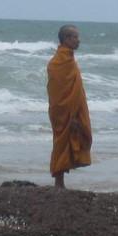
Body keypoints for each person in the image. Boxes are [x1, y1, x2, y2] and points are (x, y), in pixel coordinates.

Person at [46, 24, 92, 188]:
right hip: (63, 112)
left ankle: (61, 182)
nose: (79, 40)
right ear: (66, 39)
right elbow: (58, 94)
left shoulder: (70, 61)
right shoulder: (56, 64)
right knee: (61, 142)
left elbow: (75, 89)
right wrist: (70, 115)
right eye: (75, 37)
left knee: (75, 139)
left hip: (74, 111)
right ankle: (59, 182)